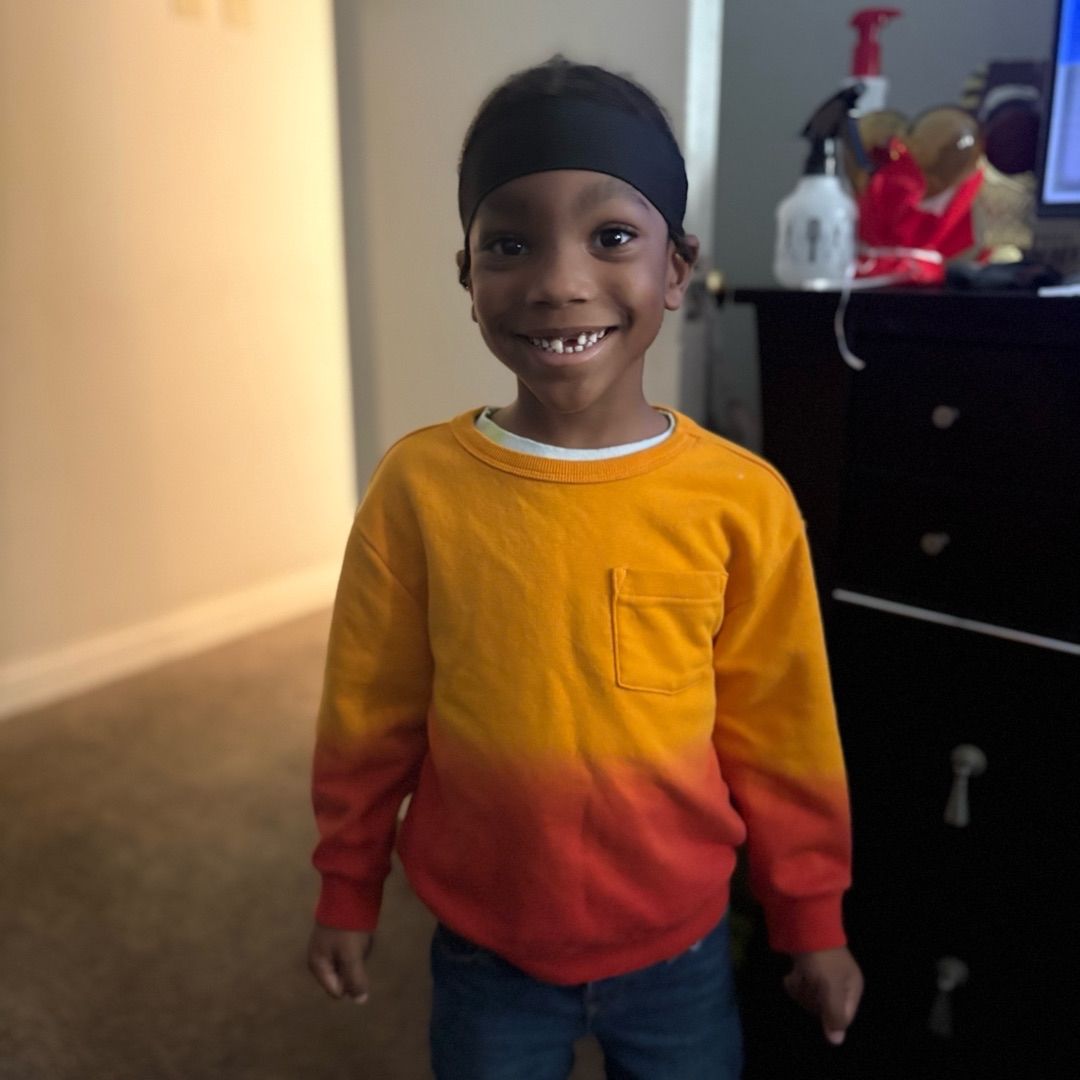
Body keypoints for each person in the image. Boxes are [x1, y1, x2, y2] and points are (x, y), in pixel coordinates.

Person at [307, 55, 863, 1079]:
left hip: (681, 947)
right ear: (467, 276)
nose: (559, 282)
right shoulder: (418, 489)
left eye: (611, 237)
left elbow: (782, 727)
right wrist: (348, 884)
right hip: (487, 949)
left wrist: (811, 917)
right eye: (510, 243)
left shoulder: (742, 503)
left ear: (677, 269)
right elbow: (367, 710)